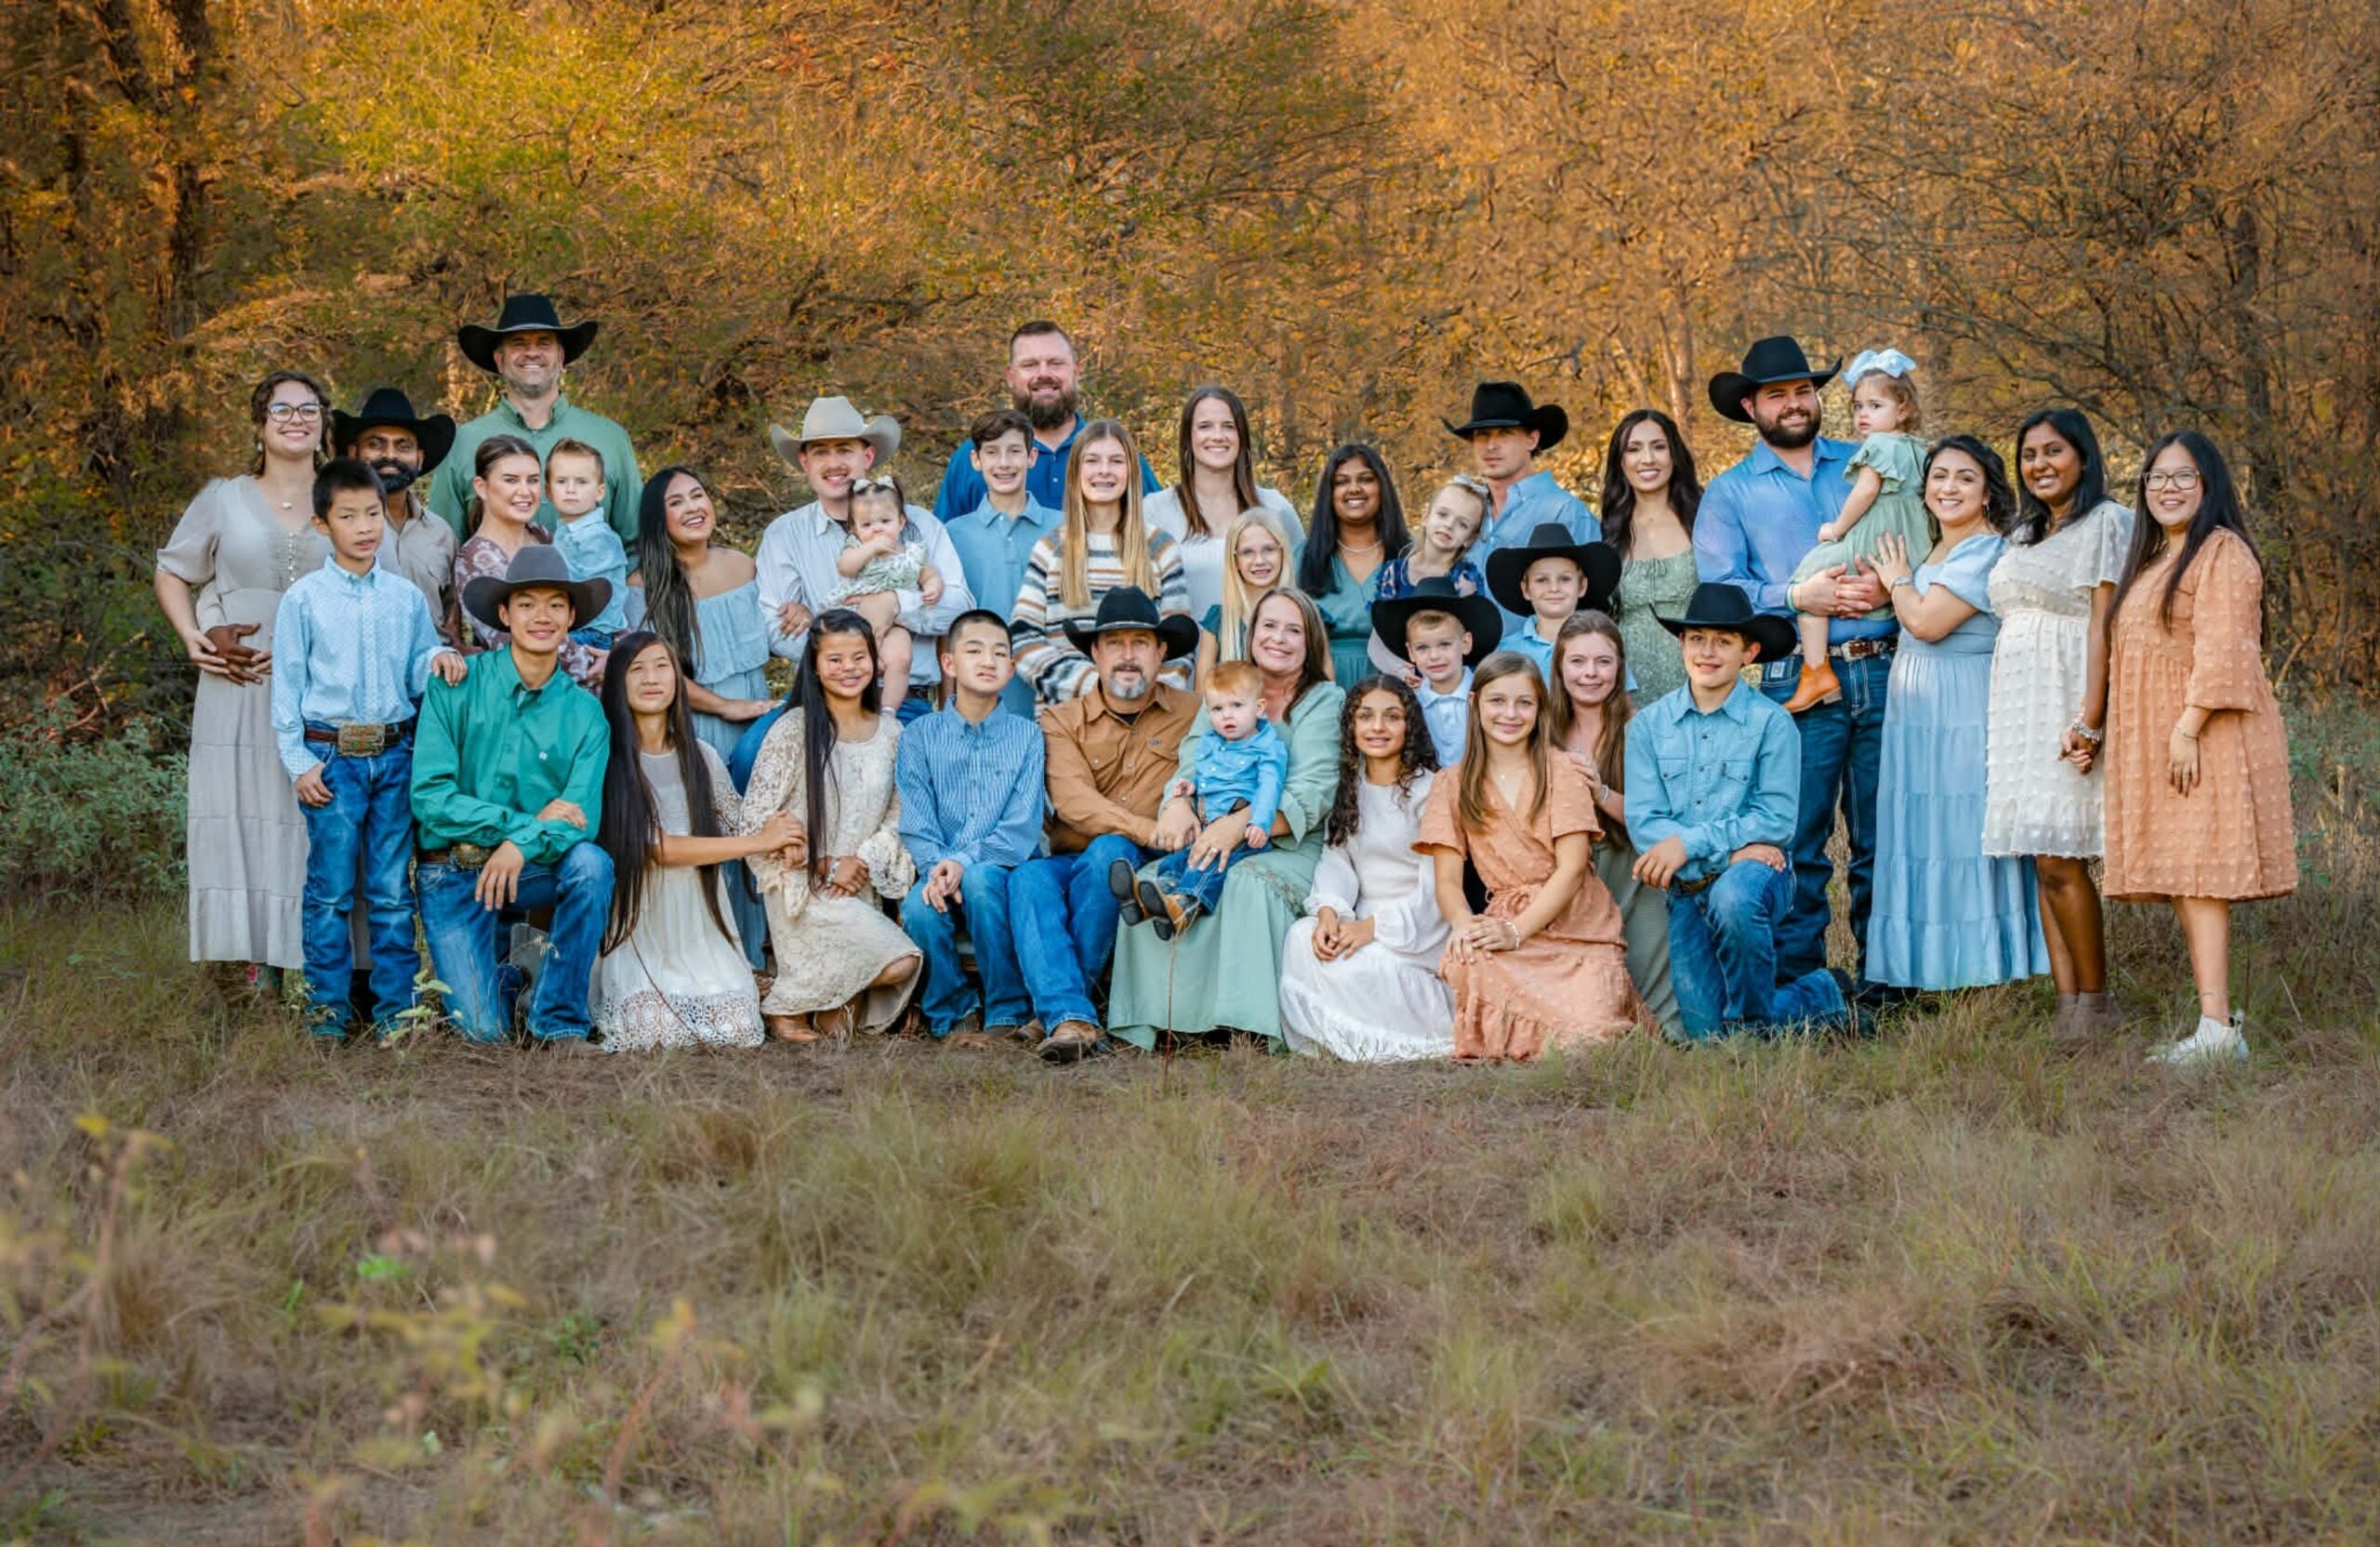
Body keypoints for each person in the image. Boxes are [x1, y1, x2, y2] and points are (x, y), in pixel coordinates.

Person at [1695, 335, 1885, 988]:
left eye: (1804, 391)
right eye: (1778, 395)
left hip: (1883, 665)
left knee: (1881, 839)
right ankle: (1808, 988)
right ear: (1751, 406)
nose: (1796, 404)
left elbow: (1915, 536)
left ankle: (1886, 981)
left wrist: (1890, 584)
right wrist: (1794, 596)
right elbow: (1721, 592)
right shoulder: (1729, 495)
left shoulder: (1867, 463)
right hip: (1793, 683)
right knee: (1798, 844)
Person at [2102, 432, 2296, 1067]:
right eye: (2156, 477)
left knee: (2203, 877)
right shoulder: (2158, 556)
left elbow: (2224, 649)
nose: (2168, 488)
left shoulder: (2223, 553)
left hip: (2203, 734)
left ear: (2209, 483)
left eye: (2183, 476)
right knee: (2188, 878)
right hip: (2165, 740)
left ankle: (2217, 1030)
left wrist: (2186, 727)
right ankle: (2215, 1027)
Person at [271, 458, 467, 1037]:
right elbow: (288, 687)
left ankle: (396, 1015)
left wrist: (437, 659)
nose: (364, 527)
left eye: (374, 513)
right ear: (321, 524)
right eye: (348, 515)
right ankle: (327, 1015)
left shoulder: (404, 598)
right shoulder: (303, 601)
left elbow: (414, 665)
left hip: (393, 755)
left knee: (388, 891)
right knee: (330, 892)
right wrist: (298, 761)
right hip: (330, 760)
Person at [1105, 588, 1348, 1052]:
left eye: (1293, 630)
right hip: (1217, 830)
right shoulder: (1225, 689)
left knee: (1247, 884)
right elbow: (1193, 759)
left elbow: (1315, 789)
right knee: (1154, 876)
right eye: (1269, 626)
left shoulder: (1323, 699)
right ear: (1252, 633)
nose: (1278, 638)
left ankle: (1245, 1024)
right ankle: (1166, 1018)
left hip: (1287, 842)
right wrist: (1178, 804)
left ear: (1310, 641)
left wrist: (1236, 826)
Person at [153, 368, 336, 984]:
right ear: (259, 425)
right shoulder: (223, 497)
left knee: (305, 814)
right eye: (280, 409)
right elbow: (173, 571)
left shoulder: (342, 496)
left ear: (324, 423)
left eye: (307, 408)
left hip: (319, 684)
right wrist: (194, 637)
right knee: (236, 813)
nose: (295, 419)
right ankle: (242, 974)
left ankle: (313, 970)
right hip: (237, 682)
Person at [1862, 437, 2049, 991]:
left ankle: (1980, 968)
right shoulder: (1936, 550)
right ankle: (1929, 970)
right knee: (1922, 829)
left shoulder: (1986, 550)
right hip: (1918, 707)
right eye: (1939, 476)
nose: (1948, 487)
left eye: (1964, 478)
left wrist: (1896, 578)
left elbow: (1925, 622)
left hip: (1961, 705)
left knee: (1960, 829)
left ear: (1989, 492)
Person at [1625, 583, 1852, 1038]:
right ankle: (1822, 995)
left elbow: (1776, 820)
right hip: (1689, 886)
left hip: (1758, 877)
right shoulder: (1648, 727)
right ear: (1681, 645)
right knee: (1706, 1035)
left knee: (1734, 897)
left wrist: (1689, 843)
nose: (1708, 652)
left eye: (1724, 642)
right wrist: (1725, 854)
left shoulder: (1773, 723)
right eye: (1697, 639)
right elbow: (1646, 825)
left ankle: (1748, 1032)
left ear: (1748, 652)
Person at [411, 545, 615, 1049]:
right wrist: (522, 827)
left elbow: (579, 819)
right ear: (504, 614)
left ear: (571, 618)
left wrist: (522, 845)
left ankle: (559, 1020)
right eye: (526, 604)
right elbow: (431, 798)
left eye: (554, 605)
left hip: (530, 872)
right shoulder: (455, 686)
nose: (541, 616)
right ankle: (513, 975)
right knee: (484, 1034)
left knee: (591, 864)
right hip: (454, 872)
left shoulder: (586, 714)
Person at [1983, 408, 2133, 1042]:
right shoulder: (2022, 535)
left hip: (2067, 698)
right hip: (2018, 706)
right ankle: (2067, 1005)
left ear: (2083, 457)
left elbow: (2104, 624)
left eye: (2054, 452)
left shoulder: (2109, 523)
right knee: (2043, 861)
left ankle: (2096, 1004)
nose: (2039, 465)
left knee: (2063, 859)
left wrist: (2090, 719)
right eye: (2029, 455)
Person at [1418, 652, 1643, 1061]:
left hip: (1576, 922)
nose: (1510, 714)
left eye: (1524, 702)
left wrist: (1517, 931)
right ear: (1475, 704)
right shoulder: (1451, 783)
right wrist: (1465, 923)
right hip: (1503, 914)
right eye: (1497, 701)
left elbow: (1573, 868)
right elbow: (1448, 880)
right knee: (1469, 958)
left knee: (1592, 1032)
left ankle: (1578, 1028)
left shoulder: (1563, 770)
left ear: (1540, 709)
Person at [1008, 588, 1201, 1063]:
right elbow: (1072, 801)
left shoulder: (1194, 711)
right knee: (1028, 875)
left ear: (1161, 654)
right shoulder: (1060, 719)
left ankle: (1059, 1013)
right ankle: (1074, 1016)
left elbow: (1209, 768)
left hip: (1147, 859)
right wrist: (1146, 826)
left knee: (1109, 851)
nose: (1128, 656)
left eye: (1141, 643)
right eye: (1115, 644)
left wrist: (1183, 807)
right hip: (1077, 855)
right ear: (1095, 653)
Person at [591, 632, 798, 1052]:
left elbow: (741, 821)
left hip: (699, 928)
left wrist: (784, 832)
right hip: (639, 928)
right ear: (617, 683)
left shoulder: (700, 756)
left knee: (737, 1028)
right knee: (654, 1032)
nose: (652, 678)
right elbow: (658, 850)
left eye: (662, 666)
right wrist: (759, 841)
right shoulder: (607, 759)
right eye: (637, 669)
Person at [740, 611, 922, 1041]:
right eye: (835, 660)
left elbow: (900, 817)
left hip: (860, 882)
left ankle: (797, 997)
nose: (848, 669)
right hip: (803, 890)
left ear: (876, 662)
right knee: (902, 961)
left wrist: (861, 860)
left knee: (839, 1030)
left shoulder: (893, 734)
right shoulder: (793, 730)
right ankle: (786, 1000)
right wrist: (822, 864)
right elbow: (757, 817)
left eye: (858, 657)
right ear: (816, 667)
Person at [623, 466, 778, 964]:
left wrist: (794, 613)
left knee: (758, 827)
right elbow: (655, 670)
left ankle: (763, 957)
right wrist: (726, 706)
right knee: (708, 830)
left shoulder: (746, 566)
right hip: (696, 722)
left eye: (699, 495)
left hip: (756, 722)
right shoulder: (644, 583)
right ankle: (719, 960)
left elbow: (779, 626)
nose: (693, 508)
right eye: (676, 502)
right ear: (657, 518)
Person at [751, 397, 972, 734]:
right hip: (821, 698)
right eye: (820, 452)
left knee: (915, 767)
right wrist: (837, 649)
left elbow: (960, 608)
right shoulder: (785, 535)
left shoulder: (920, 525)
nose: (833, 463)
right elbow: (772, 626)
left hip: (903, 698)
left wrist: (896, 604)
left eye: (844, 450)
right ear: (804, 461)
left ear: (867, 456)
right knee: (750, 753)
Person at [1278, 676, 1455, 1062]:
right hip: (1359, 920)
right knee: (1300, 937)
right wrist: (1329, 912)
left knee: (1366, 967)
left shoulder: (1432, 789)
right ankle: (1339, 1038)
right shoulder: (1351, 784)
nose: (1377, 727)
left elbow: (1436, 888)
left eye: (1392, 717)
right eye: (1366, 717)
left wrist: (1370, 930)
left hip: (1417, 931)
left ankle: (1412, 1035)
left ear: (1410, 726)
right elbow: (1337, 858)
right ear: (1351, 726)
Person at [895, 611, 1047, 1043]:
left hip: (1002, 869)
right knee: (919, 909)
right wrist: (939, 869)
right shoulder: (919, 736)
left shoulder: (1027, 736)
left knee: (979, 880)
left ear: (1012, 669)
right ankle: (952, 1011)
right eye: (974, 650)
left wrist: (961, 862)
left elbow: (1021, 828)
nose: (988, 660)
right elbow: (917, 820)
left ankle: (1007, 1009)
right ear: (948, 664)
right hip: (939, 868)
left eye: (1000, 653)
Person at [1544, 612, 1683, 1038]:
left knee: (1653, 1000)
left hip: (1630, 866)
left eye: (1603, 662)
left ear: (1620, 667)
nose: (1590, 673)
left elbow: (1656, 819)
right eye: (1578, 662)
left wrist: (1600, 792)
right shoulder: (1540, 729)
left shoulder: (1639, 727)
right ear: (1560, 668)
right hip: (1560, 871)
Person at [1782, 350, 1936, 712]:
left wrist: (1837, 528)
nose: (1862, 415)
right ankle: (1832, 669)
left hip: (1876, 540)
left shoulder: (1879, 446)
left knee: (1810, 573)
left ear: (1903, 409)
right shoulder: (1919, 449)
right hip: (1907, 547)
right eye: (1858, 406)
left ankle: (1816, 670)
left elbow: (1866, 492)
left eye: (1875, 406)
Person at [430, 293, 640, 541]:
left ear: (561, 358)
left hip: (596, 580)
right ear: (499, 360)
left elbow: (636, 544)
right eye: (518, 343)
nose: (532, 352)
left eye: (544, 343)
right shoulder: (461, 443)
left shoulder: (611, 439)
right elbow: (443, 548)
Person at [1010, 418, 1191, 704]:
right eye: (1092, 461)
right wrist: (1098, 689)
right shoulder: (1051, 549)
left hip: (1145, 723)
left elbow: (1180, 648)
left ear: (1131, 471)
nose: (1104, 471)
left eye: (1116, 461)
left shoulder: (1160, 548)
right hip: (1070, 721)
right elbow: (1023, 640)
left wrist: (1142, 700)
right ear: (1076, 472)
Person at [1117, 659, 1289, 940]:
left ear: (1258, 708)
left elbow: (1270, 787)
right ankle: (1153, 900)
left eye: (1236, 706)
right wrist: (1190, 786)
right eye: (1218, 709)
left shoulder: (1266, 747)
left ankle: (1185, 906)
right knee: (1180, 859)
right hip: (1209, 827)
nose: (1227, 716)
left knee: (1210, 864)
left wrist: (1260, 823)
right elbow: (1208, 776)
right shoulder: (1212, 741)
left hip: (1242, 833)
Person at [931, 320, 1158, 520]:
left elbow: (1159, 537)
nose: (1043, 374)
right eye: (1029, 365)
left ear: (1076, 371)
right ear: (1010, 376)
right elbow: (941, 553)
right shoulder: (976, 456)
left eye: (1055, 363)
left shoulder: (1116, 455)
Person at [449, 435, 604, 689]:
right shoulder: (476, 560)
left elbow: (590, 601)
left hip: (592, 685)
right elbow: (517, 644)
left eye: (532, 480)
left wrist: (614, 652)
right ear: (481, 487)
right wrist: (594, 663)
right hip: (538, 700)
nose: (525, 491)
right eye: (511, 480)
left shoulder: (543, 536)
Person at [1143, 385, 1304, 618]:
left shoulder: (1275, 508)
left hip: (1258, 652)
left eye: (1228, 426)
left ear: (1242, 438)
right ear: (1188, 438)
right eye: (1205, 426)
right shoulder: (1155, 510)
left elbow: (1303, 590)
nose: (1218, 436)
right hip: (1183, 653)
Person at [941, 407, 1063, 716]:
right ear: (976, 460)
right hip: (977, 700)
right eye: (992, 452)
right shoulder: (953, 534)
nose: (1004, 463)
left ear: (1031, 457)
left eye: (1014, 452)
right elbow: (944, 627)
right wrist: (945, 703)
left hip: (1049, 697)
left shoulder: (1065, 528)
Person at [1442, 382, 1600, 586]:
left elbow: (1593, 600)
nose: (1491, 445)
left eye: (1505, 433)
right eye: (1483, 435)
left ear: (1532, 440)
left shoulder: (1565, 512)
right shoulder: (1464, 512)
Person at [331, 387, 458, 630]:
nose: (390, 455)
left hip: (430, 665)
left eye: (403, 446)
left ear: (419, 458)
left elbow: (451, 623)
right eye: (376, 444)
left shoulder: (442, 534)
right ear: (353, 453)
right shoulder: (334, 528)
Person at [1597, 409, 1701, 703]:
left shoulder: (1705, 518)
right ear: (1621, 461)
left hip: (1697, 686)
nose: (1648, 459)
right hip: (1625, 696)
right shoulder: (1605, 532)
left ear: (1674, 455)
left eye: (1658, 447)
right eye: (1634, 449)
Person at [1295, 443, 1408, 687]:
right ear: (1329, 493)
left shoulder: (1411, 556)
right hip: (1320, 691)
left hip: (1396, 692)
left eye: (1366, 479)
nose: (1354, 489)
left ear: (1382, 488)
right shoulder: (1301, 558)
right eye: (1341, 482)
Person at [828, 475, 940, 717]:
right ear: (854, 530)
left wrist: (932, 586)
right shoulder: (856, 548)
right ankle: (855, 700)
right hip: (860, 621)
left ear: (901, 522)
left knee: (901, 657)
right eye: (867, 525)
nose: (877, 529)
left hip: (897, 625)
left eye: (885, 521)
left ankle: (889, 710)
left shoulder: (911, 553)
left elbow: (928, 574)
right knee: (854, 654)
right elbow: (845, 567)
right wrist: (870, 548)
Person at [1371, 575, 1502, 766]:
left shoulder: (1488, 697)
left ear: (1465, 643)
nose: (1434, 656)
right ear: (1411, 652)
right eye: (1423, 648)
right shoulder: (1408, 705)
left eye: (1444, 645)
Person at [1482, 521, 1621, 683]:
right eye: (1542, 580)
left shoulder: (1603, 644)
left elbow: (1622, 702)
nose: (1554, 588)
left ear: (1582, 586)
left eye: (1565, 579)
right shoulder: (1507, 651)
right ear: (1526, 590)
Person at [546, 438, 629, 648]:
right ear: (548, 491)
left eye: (582, 482)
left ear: (600, 491)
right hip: (576, 627)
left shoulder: (598, 537)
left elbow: (593, 593)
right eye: (561, 481)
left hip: (592, 633)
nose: (571, 489)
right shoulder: (564, 532)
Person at [1193, 507, 1294, 679]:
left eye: (1269, 549)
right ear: (1235, 560)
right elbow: (1201, 699)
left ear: (1282, 552)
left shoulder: (1305, 616)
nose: (1259, 561)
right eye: (1248, 552)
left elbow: (1325, 693)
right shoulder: (1218, 621)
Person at [1372, 474, 1488, 602]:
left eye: (1462, 524)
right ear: (1425, 516)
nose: (1449, 525)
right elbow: (1383, 618)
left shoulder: (1465, 580)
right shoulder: (1394, 573)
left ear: (1470, 539)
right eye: (1442, 514)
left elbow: (1472, 621)